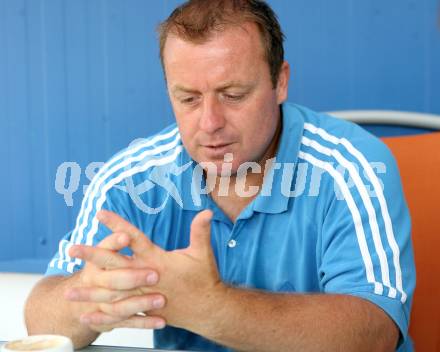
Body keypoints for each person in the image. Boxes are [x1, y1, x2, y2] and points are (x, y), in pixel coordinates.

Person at [25, 0, 415, 351]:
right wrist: (86, 295)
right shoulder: (128, 180)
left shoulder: (353, 167)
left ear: (280, 82)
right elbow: (40, 322)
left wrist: (211, 307)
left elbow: (374, 334)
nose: (209, 123)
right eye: (188, 98)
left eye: (233, 94)